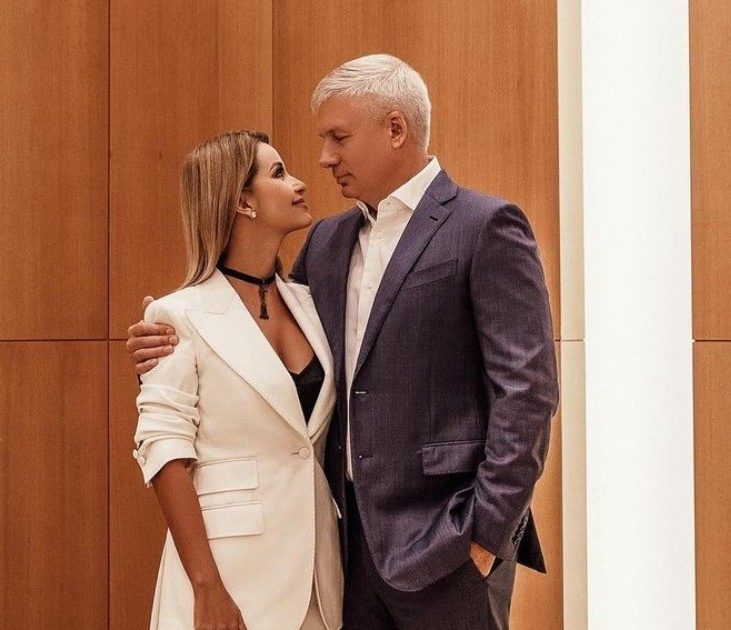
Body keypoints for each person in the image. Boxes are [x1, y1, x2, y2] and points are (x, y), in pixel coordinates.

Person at [128, 54, 559, 629]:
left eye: (338, 137)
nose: (325, 158)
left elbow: (527, 393)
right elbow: (260, 354)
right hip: (342, 556)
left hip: (451, 545)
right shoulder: (326, 243)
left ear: (395, 129)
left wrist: (486, 534)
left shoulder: (485, 226)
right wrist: (162, 344)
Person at [131, 130, 343, 630]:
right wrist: (207, 587)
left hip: (318, 577)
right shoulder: (177, 315)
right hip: (226, 578)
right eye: (278, 173)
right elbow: (165, 452)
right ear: (242, 201)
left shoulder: (311, 305)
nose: (299, 182)